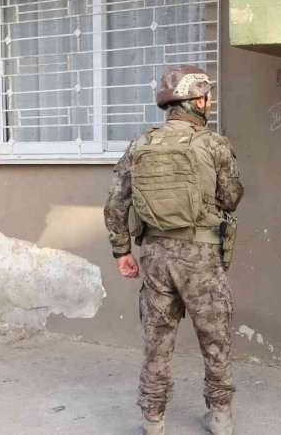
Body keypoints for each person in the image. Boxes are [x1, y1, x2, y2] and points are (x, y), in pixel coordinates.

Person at [104, 65, 243, 435]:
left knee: (157, 339)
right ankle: (220, 416)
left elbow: (116, 203)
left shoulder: (140, 145)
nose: (209, 102)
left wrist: (122, 252)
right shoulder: (213, 144)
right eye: (207, 97)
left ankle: (153, 419)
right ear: (197, 101)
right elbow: (231, 198)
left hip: (153, 258)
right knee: (214, 336)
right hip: (200, 258)